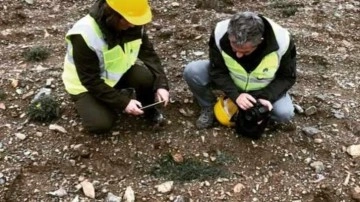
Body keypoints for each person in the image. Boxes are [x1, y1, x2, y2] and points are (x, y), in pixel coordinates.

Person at [62, 0, 169, 133]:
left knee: (145, 78)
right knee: (101, 124)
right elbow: (90, 80)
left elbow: (149, 54)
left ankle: (149, 110)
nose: (132, 25)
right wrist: (123, 102)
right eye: (128, 20)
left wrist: (162, 85)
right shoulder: (84, 34)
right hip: (84, 86)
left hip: (116, 75)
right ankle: (92, 103)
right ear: (112, 14)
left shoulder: (134, 24)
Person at [183, 11, 296, 129]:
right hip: (232, 80)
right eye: (233, 47)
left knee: (284, 113)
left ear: (260, 41)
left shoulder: (283, 41)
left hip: (263, 88)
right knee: (193, 71)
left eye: (245, 51)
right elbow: (217, 70)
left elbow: (287, 77)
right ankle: (208, 107)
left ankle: (257, 116)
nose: (238, 55)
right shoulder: (219, 32)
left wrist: (266, 96)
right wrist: (235, 95)